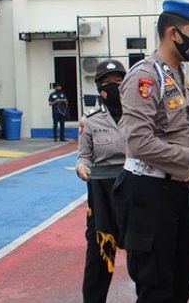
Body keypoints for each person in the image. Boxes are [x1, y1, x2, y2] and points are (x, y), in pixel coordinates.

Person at [114, 0, 189, 303]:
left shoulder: (177, 75)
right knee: (156, 286)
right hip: (149, 193)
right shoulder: (146, 77)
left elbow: (177, 132)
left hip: (177, 191)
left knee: (183, 277)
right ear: (173, 33)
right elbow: (140, 142)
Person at [75, 59, 126, 303]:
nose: (115, 86)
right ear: (99, 87)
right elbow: (83, 157)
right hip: (102, 197)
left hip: (134, 192)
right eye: (108, 82)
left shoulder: (139, 116)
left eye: (119, 81)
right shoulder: (90, 121)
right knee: (99, 256)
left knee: (144, 255)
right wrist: (82, 168)